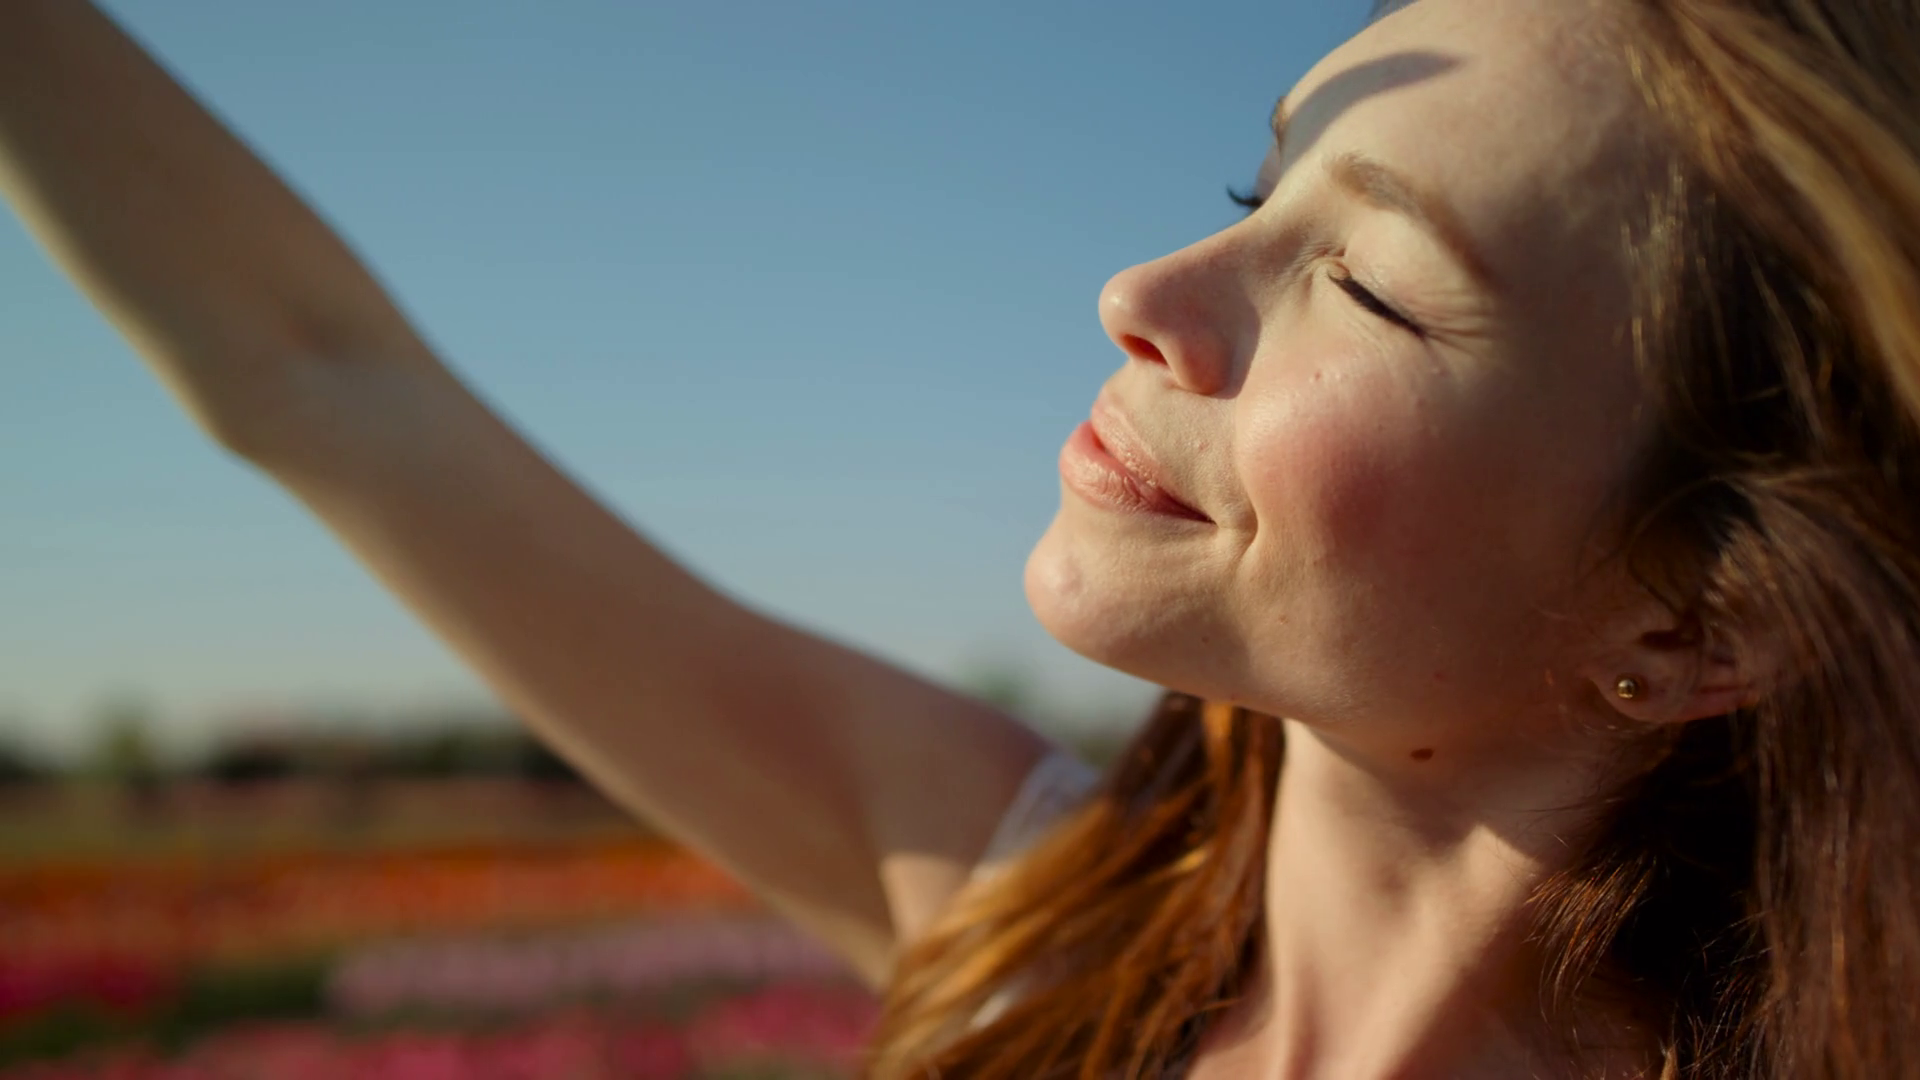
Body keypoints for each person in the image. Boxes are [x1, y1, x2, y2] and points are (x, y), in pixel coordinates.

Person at [5, 0, 1919, 1075]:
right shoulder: (1033, 933)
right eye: (1251, 189)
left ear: (1701, 617)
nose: (1140, 289)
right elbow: (323, 382)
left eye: (1369, 283)